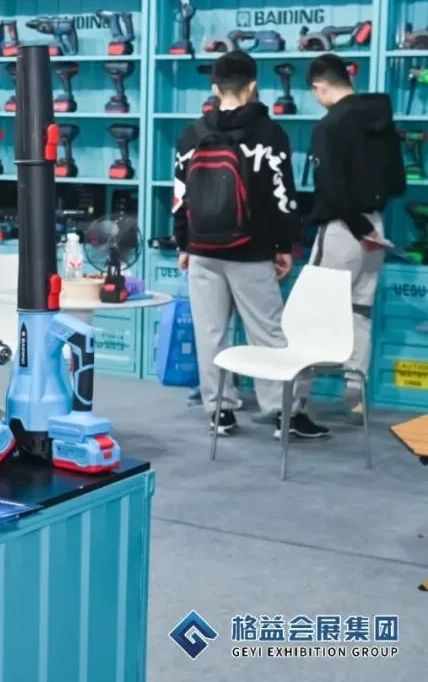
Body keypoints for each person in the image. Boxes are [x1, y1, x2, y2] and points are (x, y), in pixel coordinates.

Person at [173, 51, 328, 439]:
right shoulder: (269, 134)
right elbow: (283, 196)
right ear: (253, 86)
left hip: (202, 250)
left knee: (210, 333)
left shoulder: (192, 134)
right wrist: (285, 245)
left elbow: (180, 195)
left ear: (214, 88)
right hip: (251, 250)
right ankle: (282, 413)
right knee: (268, 333)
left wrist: (183, 243)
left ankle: (220, 411)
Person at [306, 54, 405, 413]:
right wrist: (369, 226)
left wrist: (358, 227)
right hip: (376, 227)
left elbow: (331, 189)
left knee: (313, 314)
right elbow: (398, 182)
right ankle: (355, 398)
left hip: (343, 230)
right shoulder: (382, 119)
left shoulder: (329, 126)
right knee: (359, 310)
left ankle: (293, 404)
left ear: (320, 86)